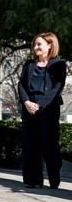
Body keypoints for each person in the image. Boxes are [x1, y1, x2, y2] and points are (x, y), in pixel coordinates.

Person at [18, 32, 66, 189]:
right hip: (29, 109)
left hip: (48, 110)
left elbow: (57, 87)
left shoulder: (58, 64)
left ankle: (54, 179)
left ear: (50, 45)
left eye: (39, 44)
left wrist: (41, 105)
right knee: (30, 145)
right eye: (34, 44)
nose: (35, 47)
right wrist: (26, 102)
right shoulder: (29, 65)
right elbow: (21, 85)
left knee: (49, 145)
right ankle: (33, 180)